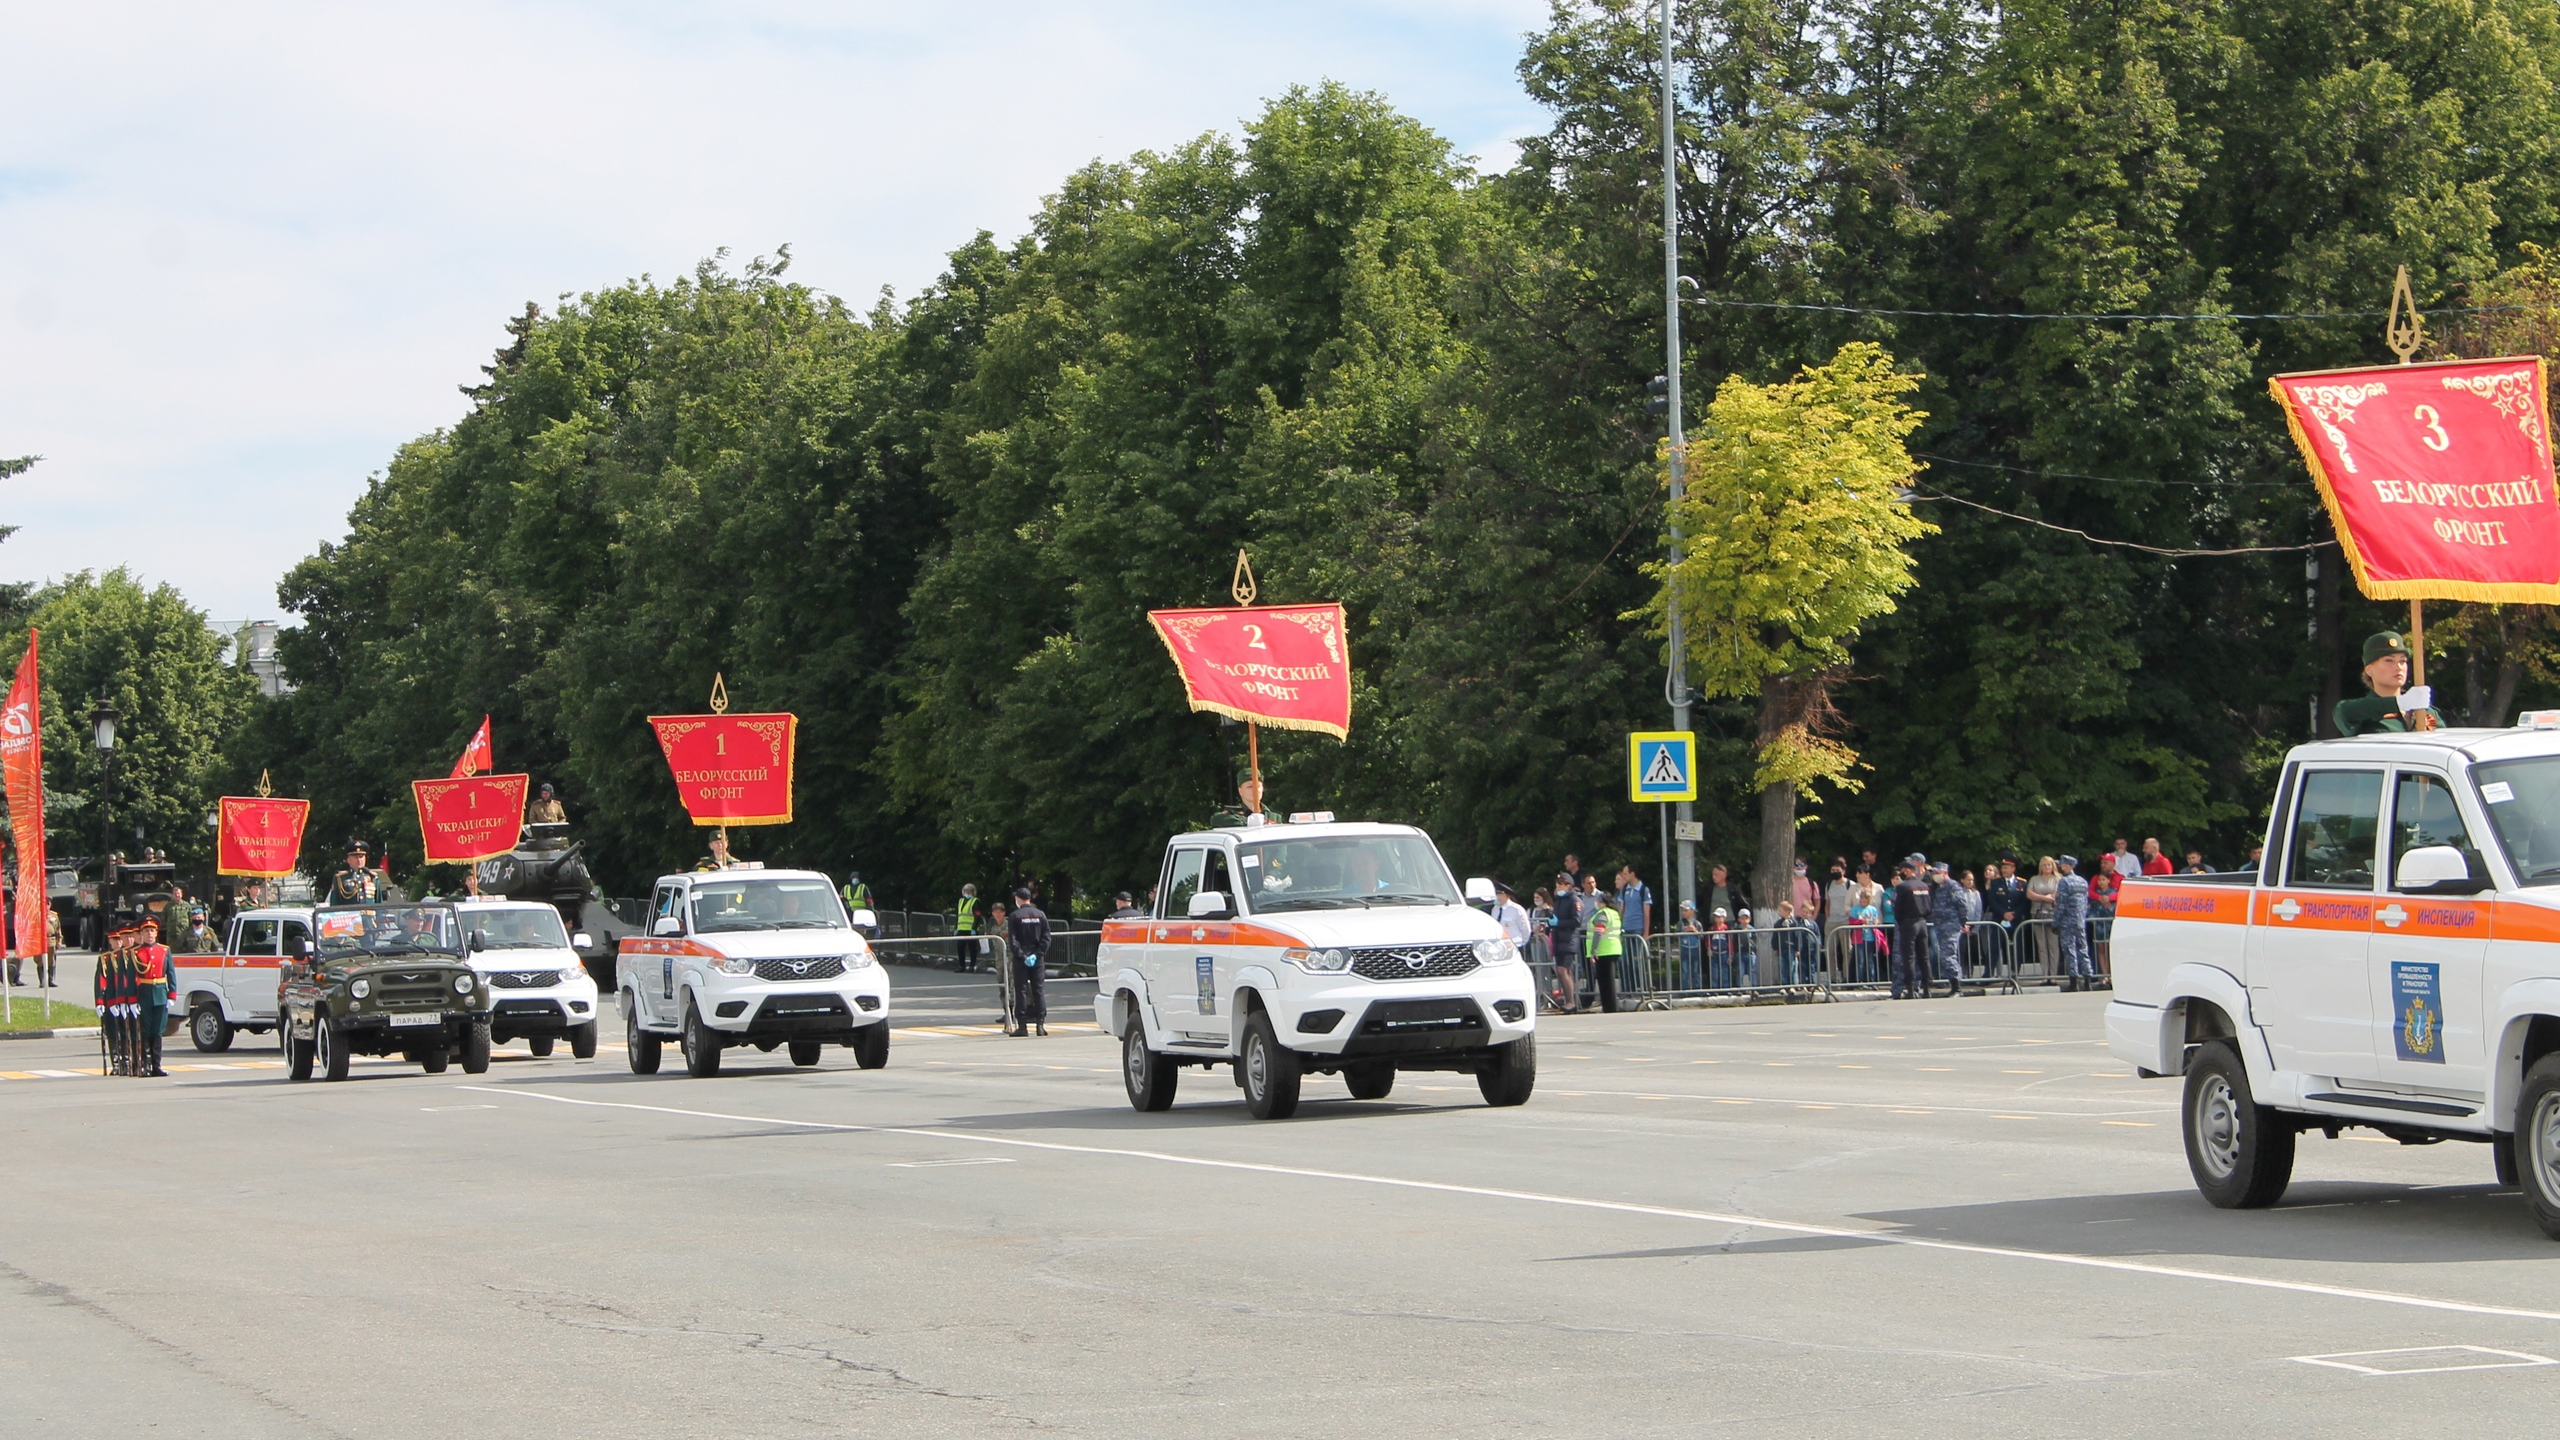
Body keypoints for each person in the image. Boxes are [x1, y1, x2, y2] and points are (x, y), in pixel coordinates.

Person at [2334, 630, 2443, 736]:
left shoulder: (2426, 712)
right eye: (2389, 660)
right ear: (2369, 670)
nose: (2398, 667)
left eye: (2402, 661)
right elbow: (2344, 711)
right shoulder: (2360, 712)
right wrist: (2400, 703)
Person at [1005, 887, 1049, 1037]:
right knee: (1038, 990)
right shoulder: (1040, 914)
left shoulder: (1015, 916)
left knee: (1021, 990)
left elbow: (1013, 940)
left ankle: (1022, 1026)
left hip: (1021, 957)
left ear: (1018, 899)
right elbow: (1046, 938)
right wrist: (1037, 954)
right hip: (1037, 957)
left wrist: (1023, 956)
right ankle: (1040, 1025)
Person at [133, 919, 172, 1076]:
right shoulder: (136, 953)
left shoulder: (164, 950)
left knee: (158, 1031)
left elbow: (171, 973)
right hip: (144, 993)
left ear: (156, 933)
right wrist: (132, 999)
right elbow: (132, 977)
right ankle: (145, 1065)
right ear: (141, 934)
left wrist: (172, 994)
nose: (149, 934)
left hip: (161, 993)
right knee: (146, 1030)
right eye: (146, 931)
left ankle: (157, 1065)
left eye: (152, 931)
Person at [1890, 855, 1932, 1000]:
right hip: (1922, 923)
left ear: (1907, 871)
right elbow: (1928, 908)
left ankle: (1911, 988)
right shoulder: (1924, 885)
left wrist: (1901, 921)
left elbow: (1898, 909)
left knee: (1908, 957)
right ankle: (1927, 988)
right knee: (1924, 957)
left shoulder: (1902, 887)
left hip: (1909, 924)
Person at [1928, 861, 1967, 998]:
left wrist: (1963, 921)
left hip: (1951, 925)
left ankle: (1957, 986)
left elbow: (1961, 904)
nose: (1935, 875)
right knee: (1944, 956)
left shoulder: (1953, 886)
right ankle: (1953, 984)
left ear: (1945, 873)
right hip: (1939, 925)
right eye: (1933, 873)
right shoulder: (1936, 887)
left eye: (1937, 873)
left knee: (1948, 956)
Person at [2055, 854, 2094, 990]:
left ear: (2067, 866)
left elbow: (2061, 904)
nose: (2059, 866)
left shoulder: (2064, 882)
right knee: (2083, 948)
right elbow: (2085, 902)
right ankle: (2088, 979)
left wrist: (2056, 922)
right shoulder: (2082, 881)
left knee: (2069, 949)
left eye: (2061, 864)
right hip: (2080, 920)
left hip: (2067, 920)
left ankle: (2074, 981)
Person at [1547, 871, 1583, 1013]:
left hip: (1569, 939)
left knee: (1562, 970)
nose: (1559, 887)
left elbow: (1576, 920)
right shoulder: (1560, 900)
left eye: (1563, 885)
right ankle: (1570, 1000)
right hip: (1559, 939)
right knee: (1564, 971)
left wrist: (1559, 923)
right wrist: (1551, 923)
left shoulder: (1575, 900)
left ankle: (1571, 1002)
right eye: (1558, 884)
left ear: (1569, 886)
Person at [1585, 894, 1622, 1012]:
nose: (1595, 902)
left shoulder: (1602, 914)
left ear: (1601, 902)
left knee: (1605, 982)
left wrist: (1593, 950)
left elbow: (1599, 932)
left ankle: (1610, 1008)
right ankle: (1610, 1007)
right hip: (1613, 948)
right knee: (1608, 980)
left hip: (1604, 950)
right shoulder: (1614, 913)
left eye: (1597, 900)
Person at [2026, 856, 2061, 977]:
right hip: (2037, 914)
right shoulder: (2034, 879)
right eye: (2044, 865)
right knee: (2041, 946)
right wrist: (2044, 898)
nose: (2047, 867)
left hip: (2053, 914)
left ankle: (2054, 975)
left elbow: (2057, 894)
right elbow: (2029, 894)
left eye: (2049, 865)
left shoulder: (2058, 879)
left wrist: (2041, 896)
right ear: (2040, 867)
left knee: (2053, 945)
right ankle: (2045, 974)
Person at [1492, 883, 1533, 965]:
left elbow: (1525, 929)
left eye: (1499, 894)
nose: (1497, 897)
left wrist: (1521, 943)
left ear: (1505, 895)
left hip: (1515, 946)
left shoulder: (1516, 909)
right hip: (1500, 948)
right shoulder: (1495, 910)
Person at [1613, 864, 1652, 944]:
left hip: (1638, 928)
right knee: (1627, 955)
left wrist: (1646, 933)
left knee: (1639, 955)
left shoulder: (1643, 890)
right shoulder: (1624, 890)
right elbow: (1621, 910)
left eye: (1625, 874)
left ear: (1632, 874)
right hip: (1626, 928)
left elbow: (1646, 913)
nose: (1623, 876)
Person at [953, 882, 982, 972]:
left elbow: (977, 916)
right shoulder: (960, 901)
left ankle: (972, 966)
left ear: (973, 892)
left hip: (970, 929)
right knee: (960, 948)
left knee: (972, 948)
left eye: (970, 891)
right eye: (966, 890)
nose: (968, 892)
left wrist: (974, 928)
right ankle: (962, 966)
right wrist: (956, 928)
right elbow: (958, 916)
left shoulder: (975, 901)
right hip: (961, 929)